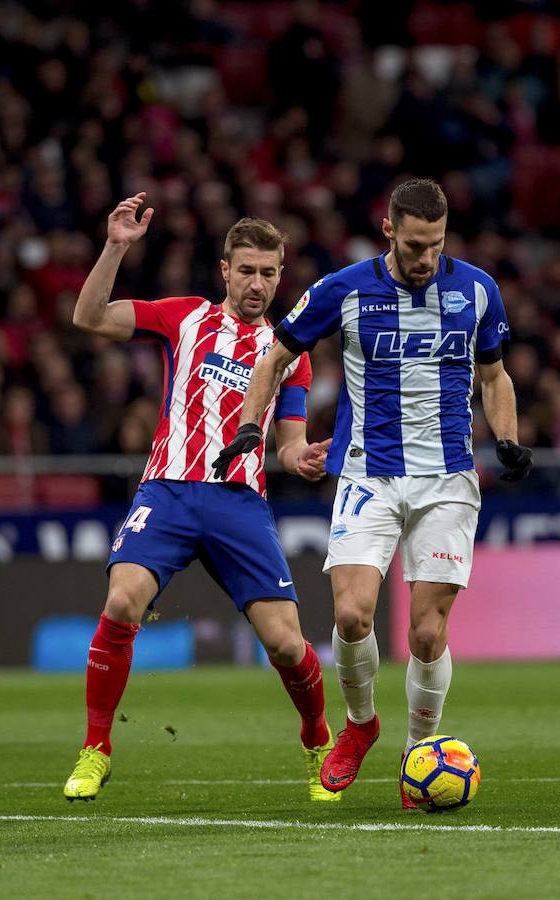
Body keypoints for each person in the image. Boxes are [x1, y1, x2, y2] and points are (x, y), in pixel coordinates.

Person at [213, 178, 533, 807]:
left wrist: (508, 439)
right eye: (415, 245)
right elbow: (275, 356)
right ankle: (361, 725)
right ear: (389, 231)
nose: (426, 259)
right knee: (352, 614)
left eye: (436, 245)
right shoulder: (344, 288)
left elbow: (494, 376)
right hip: (368, 473)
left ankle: (422, 752)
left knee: (426, 634)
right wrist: (253, 423)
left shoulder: (476, 290)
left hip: (446, 478)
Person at [63, 192, 340, 804]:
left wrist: (305, 458)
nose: (258, 283)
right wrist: (115, 246)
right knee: (122, 600)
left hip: (239, 502)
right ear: (224, 270)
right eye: (247, 270)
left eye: (269, 273)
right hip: (167, 492)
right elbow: (89, 316)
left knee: (288, 644)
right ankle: (96, 749)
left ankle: (318, 738)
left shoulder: (289, 353)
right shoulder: (183, 317)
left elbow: (288, 444)